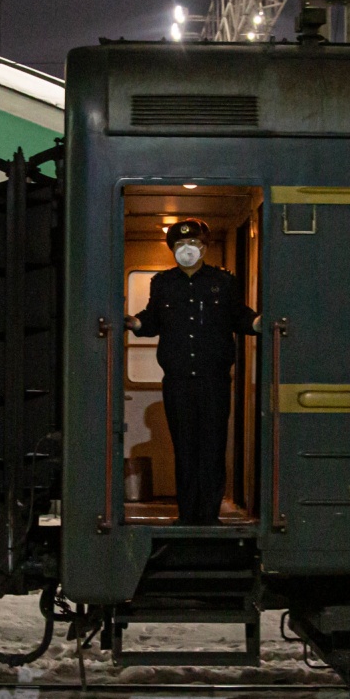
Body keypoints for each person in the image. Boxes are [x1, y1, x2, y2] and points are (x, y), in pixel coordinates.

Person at [124, 219, 257, 524]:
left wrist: (259, 323)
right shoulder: (163, 283)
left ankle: (209, 516)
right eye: (181, 245)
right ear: (172, 249)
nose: (187, 250)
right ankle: (186, 515)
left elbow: (240, 316)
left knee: (212, 448)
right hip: (178, 381)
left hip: (214, 381)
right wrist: (134, 323)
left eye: (194, 244)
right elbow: (152, 319)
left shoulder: (224, 282)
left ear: (205, 247)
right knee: (184, 448)